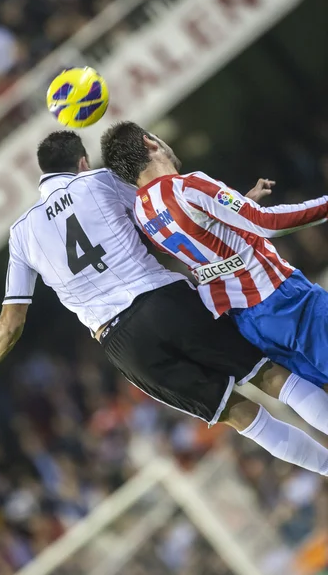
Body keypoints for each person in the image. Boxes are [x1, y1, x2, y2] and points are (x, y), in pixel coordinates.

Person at [0, 131, 328, 476]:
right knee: (269, 376)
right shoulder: (98, 182)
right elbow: (173, 214)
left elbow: (12, 317)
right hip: (166, 300)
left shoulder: (20, 235)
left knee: (238, 416)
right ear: (82, 162)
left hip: (121, 341)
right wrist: (237, 210)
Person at [101, 121, 328, 431]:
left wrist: (242, 204)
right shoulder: (187, 186)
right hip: (282, 298)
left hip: (247, 322)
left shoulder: (143, 214)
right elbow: (268, 223)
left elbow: (202, 242)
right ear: (150, 143)